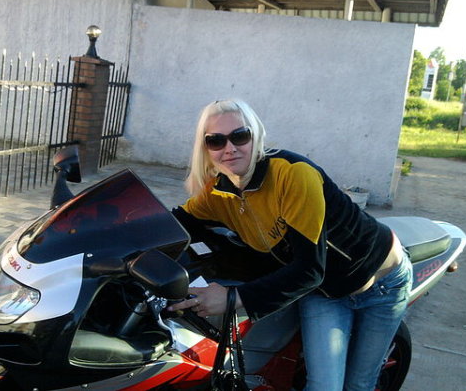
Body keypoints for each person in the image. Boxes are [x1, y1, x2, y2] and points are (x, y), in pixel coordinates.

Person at [168, 99, 413, 390]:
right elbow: (172, 224)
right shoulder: (217, 193)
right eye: (216, 141)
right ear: (205, 149)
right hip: (322, 292)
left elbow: (310, 269)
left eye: (240, 136)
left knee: (359, 385)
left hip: (381, 283)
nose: (229, 148)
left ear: (256, 136)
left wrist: (232, 298)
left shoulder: (293, 174)